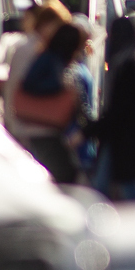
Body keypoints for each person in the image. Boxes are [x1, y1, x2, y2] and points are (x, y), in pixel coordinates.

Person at [90, 17, 135, 198]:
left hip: (125, 138)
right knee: (107, 185)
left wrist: (89, 130)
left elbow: (119, 109)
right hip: (121, 137)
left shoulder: (127, 66)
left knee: (127, 188)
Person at [22, 22, 90, 184]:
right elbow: (29, 85)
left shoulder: (58, 60)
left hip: (54, 128)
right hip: (43, 128)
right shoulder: (49, 59)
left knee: (65, 172)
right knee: (64, 172)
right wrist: (59, 87)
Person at [4, 0, 72, 146]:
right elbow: (17, 88)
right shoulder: (32, 50)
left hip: (26, 128)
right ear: (48, 24)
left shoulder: (35, 48)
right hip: (30, 131)